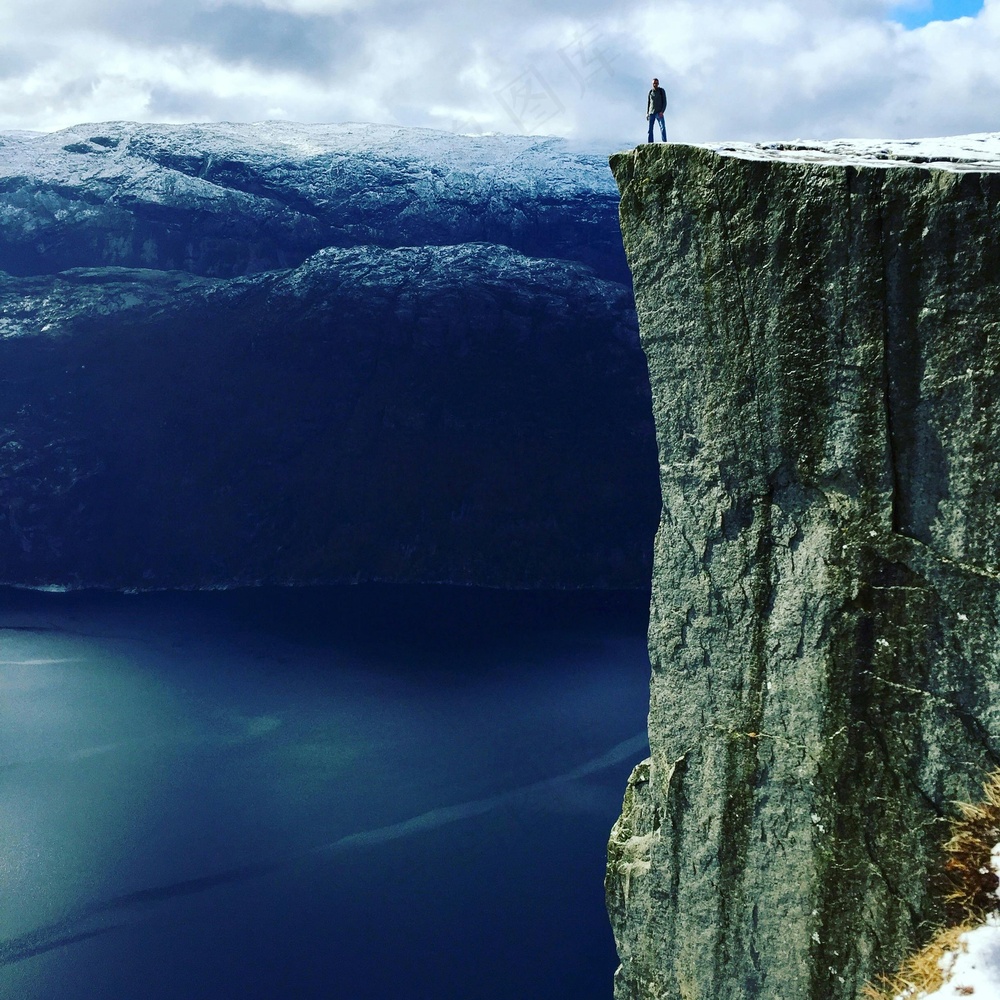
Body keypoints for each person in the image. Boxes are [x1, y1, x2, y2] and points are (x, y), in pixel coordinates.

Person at [647, 78, 667, 143]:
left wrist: (662, 111)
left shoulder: (661, 91)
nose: (655, 84)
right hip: (651, 113)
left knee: (662, 128)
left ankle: (664, 142)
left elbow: (665, 102)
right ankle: (650, 143)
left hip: (659, 113)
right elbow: (649, 103)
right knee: (650, 129)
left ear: (658, 84)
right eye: (653, 83)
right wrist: (647, 113)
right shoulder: (650, 92)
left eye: (656, 83)